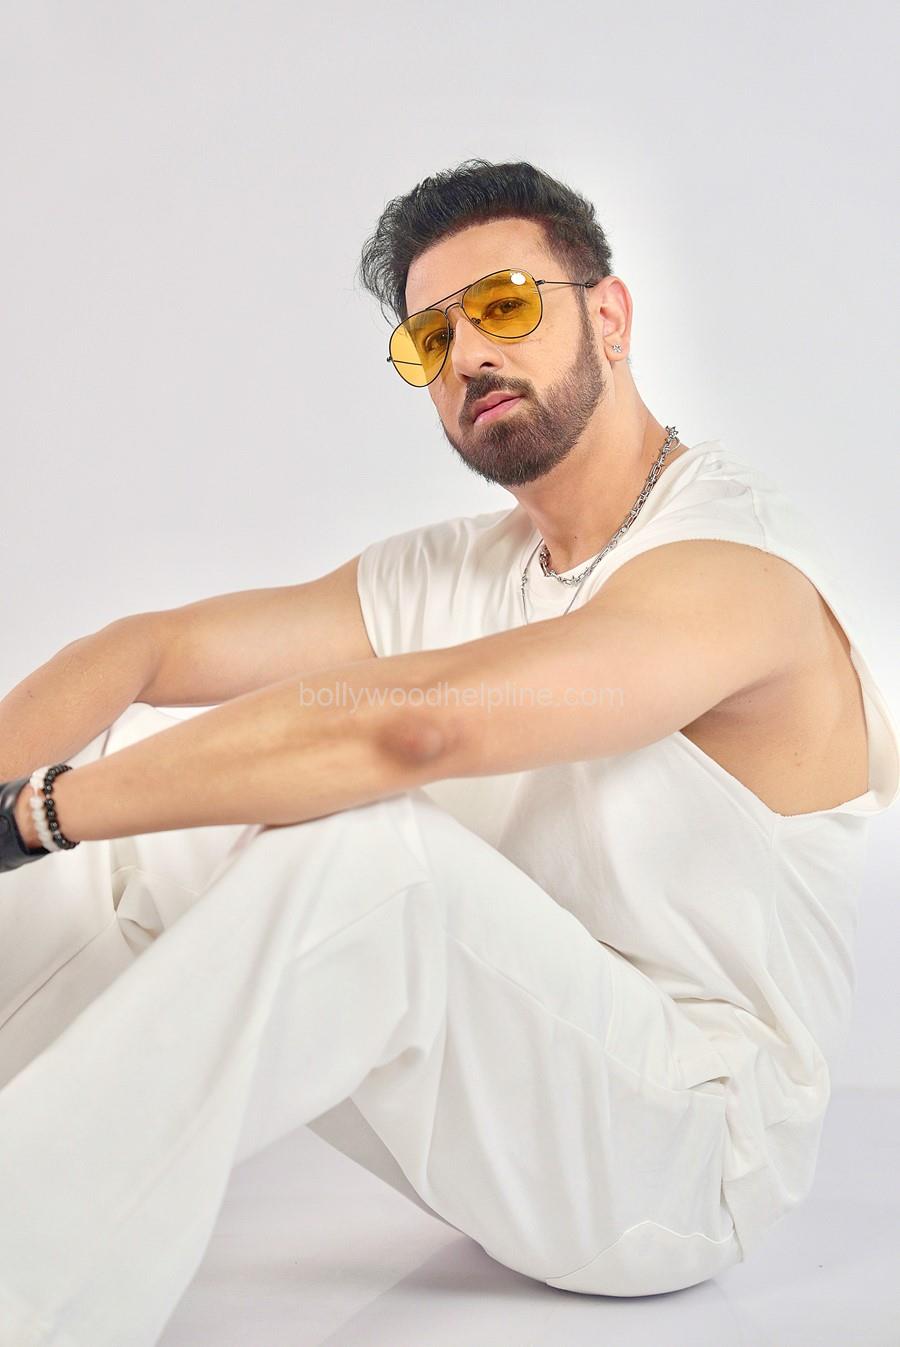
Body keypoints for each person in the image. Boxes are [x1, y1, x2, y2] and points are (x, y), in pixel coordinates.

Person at [0, 158, 897, 1344]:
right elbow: (145, 649)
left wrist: (40, 813)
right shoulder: (457, 567)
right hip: (520, 1097)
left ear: (610, 316)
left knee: (373, 860)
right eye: (432, 339)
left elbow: (411, 725)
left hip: (691, 1158)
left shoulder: (735, 568)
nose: (469, 354)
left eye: (506, 307)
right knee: (161, 805)